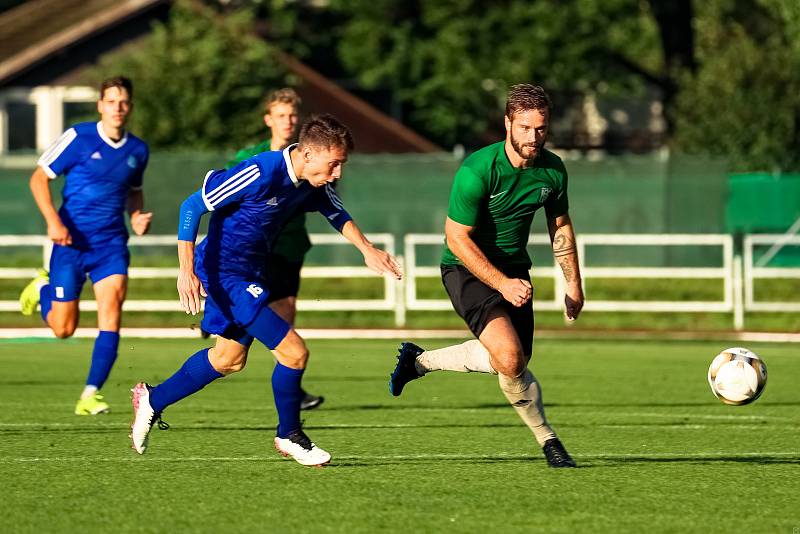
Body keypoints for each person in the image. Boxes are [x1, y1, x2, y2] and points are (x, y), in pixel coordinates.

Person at [130, 114, 402, 466]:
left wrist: (368, 250)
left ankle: (153, 399)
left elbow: (336, 214)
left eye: (341, 165)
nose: (337, 174)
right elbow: (192, 206)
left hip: (251, 274)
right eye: (334, 164)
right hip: (223, 274)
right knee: (294, 353)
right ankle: (289, 434)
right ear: (307, 155)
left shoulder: (312, 184)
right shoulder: (261, 171)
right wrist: (185, 272)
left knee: (228, 360)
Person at [388, 84, 584, 468]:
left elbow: (559, 226)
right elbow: (456, 238)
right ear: (507, 123)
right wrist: (502, 284)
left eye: (541, 128)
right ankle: (550, 442)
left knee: (510, 362)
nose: (533, 137)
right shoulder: (478, 170)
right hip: (466, 267)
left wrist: (573, 283)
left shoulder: (553, 170)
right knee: (510, 357)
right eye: (525, 128)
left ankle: (419, 362)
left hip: (514, 270)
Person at [19, 76, 151, 416]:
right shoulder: (79, 137)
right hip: (71, 242)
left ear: (130, 107)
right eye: (111, 101)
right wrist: (53, 221)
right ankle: (44, 286)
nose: (118, 108)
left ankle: (90, 394)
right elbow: (38, 178)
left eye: (123, 102)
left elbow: (133, 190)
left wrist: (135, 216)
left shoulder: (138, 150)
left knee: (112, 313)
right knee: (64, 329)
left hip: (110, 246)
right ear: (100, 105)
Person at [219, 88, 323, 411]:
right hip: (252, 252)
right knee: (237, 345)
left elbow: (325, 200)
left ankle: (292, 383)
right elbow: (220, 194)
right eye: (281, 115)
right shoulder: (252, 159)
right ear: (268, 119)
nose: (288, 121)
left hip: (288, 248)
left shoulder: (309, 160)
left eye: (292, 115)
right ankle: (225, 323)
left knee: (286, 314)